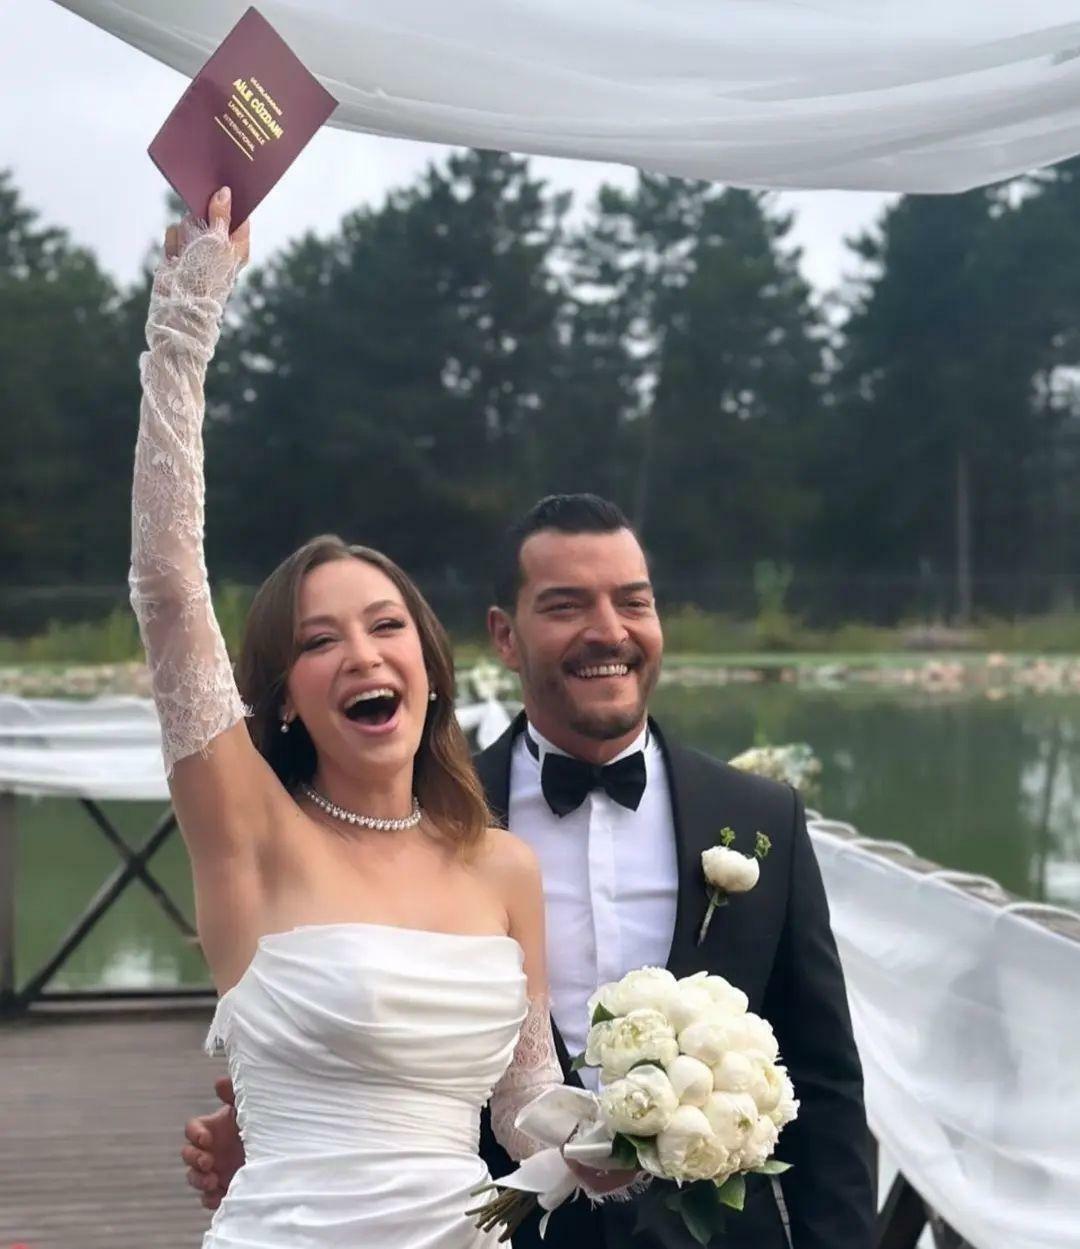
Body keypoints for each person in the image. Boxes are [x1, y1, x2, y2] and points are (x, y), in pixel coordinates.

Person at [183, 493, 877, 1247]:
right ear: (504, 637)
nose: (608, 630)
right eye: (566, 605)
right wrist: (273, 1130)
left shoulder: (761, 817)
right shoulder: (427, 818)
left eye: (633, 601)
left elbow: (825, 1082)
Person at [132, 188, 597, 1248]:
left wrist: (613, 1135)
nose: (362, 654)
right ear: (285, 697)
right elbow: (166, 590)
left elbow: (523, 1104)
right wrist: (184, 327)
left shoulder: (503, 867)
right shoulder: (250, 832)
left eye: (386, 625)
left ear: (428, 666)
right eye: (319, 639)